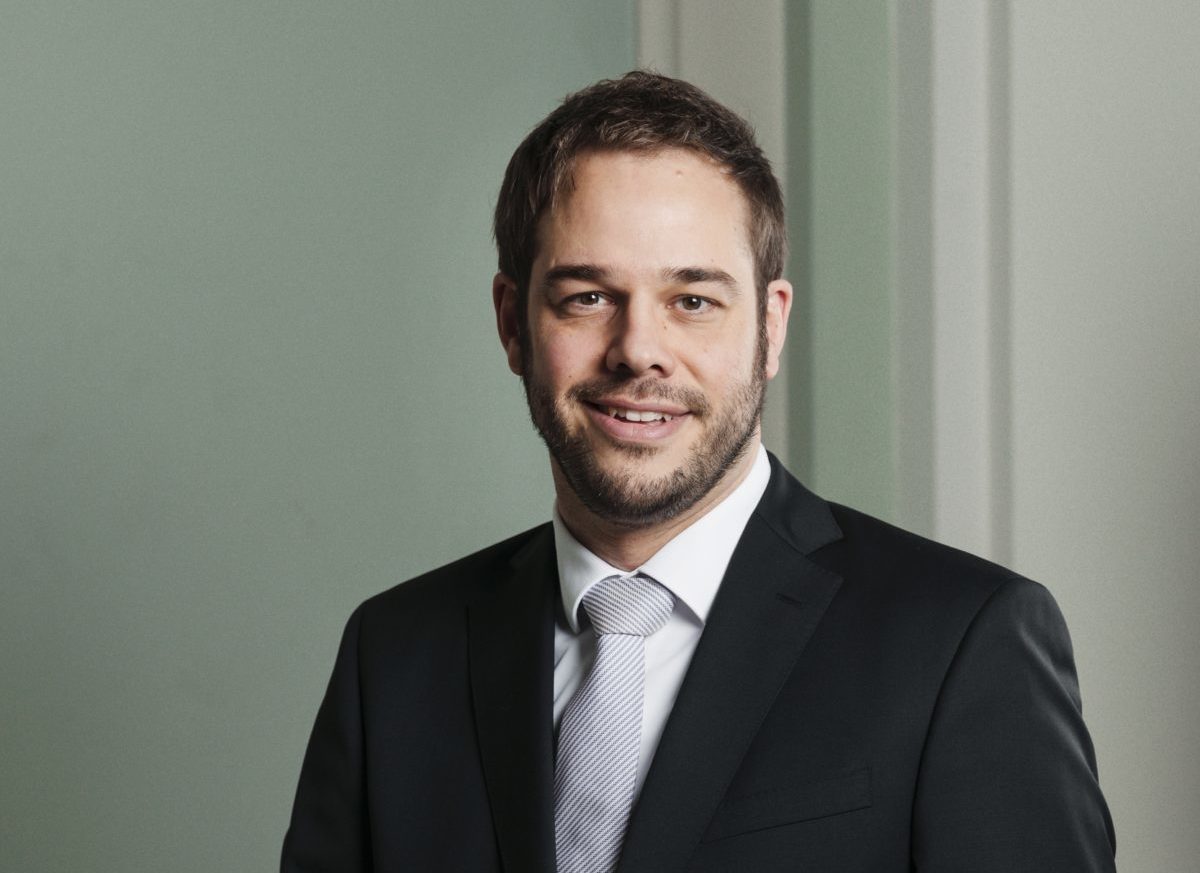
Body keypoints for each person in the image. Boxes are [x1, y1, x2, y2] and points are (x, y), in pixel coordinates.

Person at [281, 71, 1116, 872]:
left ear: (770, 328)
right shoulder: (394, 658)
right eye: (587, 296)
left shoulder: (960, 643)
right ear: (512, 324)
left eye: (693, 300)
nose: (639, 350)